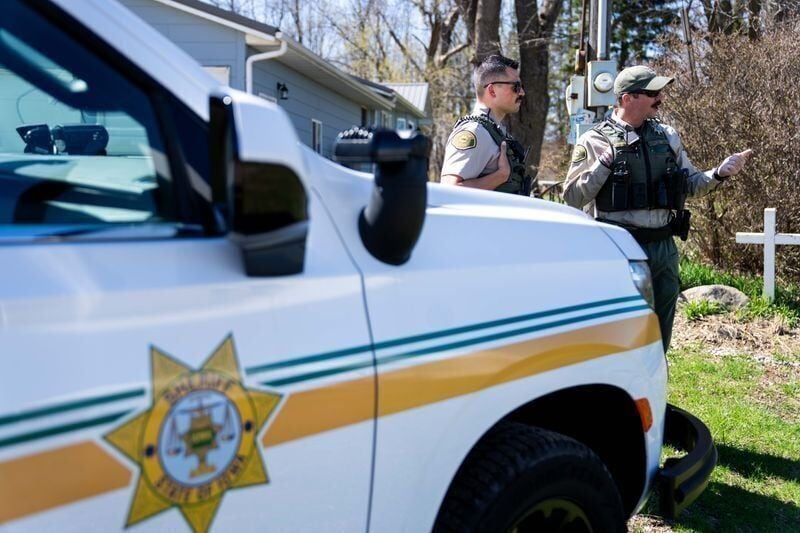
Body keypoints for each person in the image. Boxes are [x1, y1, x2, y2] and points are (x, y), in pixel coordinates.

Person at [563, 65, 752, 352]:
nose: (660, 97)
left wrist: (719, 173)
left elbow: (690, 184)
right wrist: (602, 165)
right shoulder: (595, 139)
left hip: (664, 248)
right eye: (652, 92)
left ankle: (654, 388)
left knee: (661, 330)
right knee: (622, 329)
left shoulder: (667, 135)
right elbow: (572, 198)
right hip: (621, 248)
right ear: (627, 98)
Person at [440, 54, 532, 195]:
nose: (522, 92)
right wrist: (499, 177)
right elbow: (449, 190)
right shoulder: (474, 131)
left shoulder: (494, 131)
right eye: (516, 86)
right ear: (492, 90)